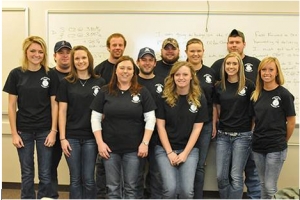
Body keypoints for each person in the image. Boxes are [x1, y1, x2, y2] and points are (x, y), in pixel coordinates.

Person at [90, 56, 156, 199]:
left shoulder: (142, 92)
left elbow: (150, 119)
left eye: (129, 68)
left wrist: (145, 143)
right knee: (112, 188)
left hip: (134, 149)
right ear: (116, 71)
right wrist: (100, 143)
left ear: (134, 72)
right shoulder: (105, 91)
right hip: (109, 149)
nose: (125, 71)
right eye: (122, 68)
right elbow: (95, 118)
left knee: (132, 188)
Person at [3, 36, 59, 199]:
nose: (37, 54)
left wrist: (53, 131)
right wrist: (14, 133)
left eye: (41, 52)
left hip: (45, 130)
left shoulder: (50, 74)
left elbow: (55, 105)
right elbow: (12, 105)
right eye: (33, 51)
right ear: (26, 52)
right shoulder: (16, 74)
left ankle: (44, 197)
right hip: (23, 131)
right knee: (27, 173)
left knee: (45, 172)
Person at [211, 29, 261, 199]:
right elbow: (216, 107)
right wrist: (215, 125)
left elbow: (255, 110)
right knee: (221, 176)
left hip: (243, 136)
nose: (231, 67)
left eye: (234, 64)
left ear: (240, 66)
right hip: (223, 135)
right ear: (224, 66)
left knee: (236, 176)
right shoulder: (219, 86)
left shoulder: (249, 85)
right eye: (228, 64)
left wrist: (251, 130)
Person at [56, 45, 105, 199]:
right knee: (75, 179)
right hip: (71, 137)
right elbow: (62, 111)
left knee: (89, 179)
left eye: (83, 58)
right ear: (72, 61)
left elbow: (104, 110)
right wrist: (62, 138)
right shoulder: (66, 82)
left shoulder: (100, 81)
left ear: (89, 59)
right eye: (76, 58)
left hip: (91, 137)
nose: (80, 61)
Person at [155, 61, 208, 199]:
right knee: (170, 189)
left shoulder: (199, 98)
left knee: (186, 191)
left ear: (192, 76)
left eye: (185, 74)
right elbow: (160, 126)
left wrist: (185, 153)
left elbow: (197, 128)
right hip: (165, 149)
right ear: (172, 77)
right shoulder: (164, 97)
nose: (181, 77)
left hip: (189, 150)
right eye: (177, 74)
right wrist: (170, 152)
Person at [251, 57, 296, 199]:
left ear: (277, 72)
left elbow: (291, 122)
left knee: (270, 187)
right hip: (258, 146)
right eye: (263, 70)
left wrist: (283, 140)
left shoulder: (284, 94)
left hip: (276, 147)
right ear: (259, 72)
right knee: (262, 184)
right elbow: (254, 120)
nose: (267, 73)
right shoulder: (256, 94)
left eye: (271, 70)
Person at [185, 38, 217, 199]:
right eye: (192, 51)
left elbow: (214, 102)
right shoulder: (181, 71)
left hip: (205, 126)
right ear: (186, 53)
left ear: (203, 52)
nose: (195, 54)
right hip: (184, 127)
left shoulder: (211, 73)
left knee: (199, 166)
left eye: (198, 50)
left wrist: (214, 125)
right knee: (182, 161)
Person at [137, 47, 164, 198]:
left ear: (155, 63)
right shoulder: (132, 81)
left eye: (150, 60)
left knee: (156, 174)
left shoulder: (163, 82)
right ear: (138, 62)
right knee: (136, 174)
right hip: (136, 135)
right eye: (143, 59)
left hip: (158, 136)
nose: (147, 63)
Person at [50, 40, 72, 199]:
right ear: (54, 56)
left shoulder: (78, 74)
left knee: (77, 170)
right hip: (52, 130)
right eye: (61, 52)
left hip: (74, 130)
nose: (65, 56)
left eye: (68, 52)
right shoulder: (48, 75)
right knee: (49, 168)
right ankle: (51, 196)